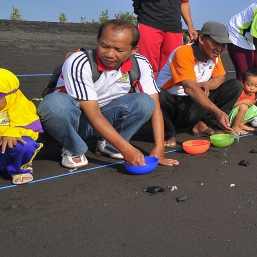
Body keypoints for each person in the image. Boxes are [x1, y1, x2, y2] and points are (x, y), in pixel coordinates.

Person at [39, 20, 178, 168]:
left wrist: (159, 148)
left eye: (119, 50)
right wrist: (127, 149)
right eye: (104, 46)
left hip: (104, 117)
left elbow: (155, 106)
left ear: (134, 50)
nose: (110, 54)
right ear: (97, 39)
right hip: (74, 121)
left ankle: (110, 145)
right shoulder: (80, 62)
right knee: (54, 104)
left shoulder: (140, 64)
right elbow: (92, 113)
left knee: (145, 102)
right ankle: (73, 147)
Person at [157, 21, 241, 144]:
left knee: (235, 86)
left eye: (223, 45)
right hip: (174, 104)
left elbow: (220, 78)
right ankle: (168, 133)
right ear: (201, 39)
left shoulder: (214, 56)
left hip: (194, 102)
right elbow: (190, 88)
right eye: (216, 43)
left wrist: (207, 85)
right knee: (158, 96)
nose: (220, 49)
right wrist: (217, 112)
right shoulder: (184, 52)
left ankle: (203, 124)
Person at [0, 69, 42, 185]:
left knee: (26, 144)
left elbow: (33, 131)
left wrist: (14, 132)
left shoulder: (22, 105)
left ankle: (19, 169)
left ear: (10, 95)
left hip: (6, 152)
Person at [229, 68, 257, 135]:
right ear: (242, 83)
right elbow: (231, 105)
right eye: (249, 85)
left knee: (254, 108)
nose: (252, 88)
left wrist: (251, 103)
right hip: (229, 116)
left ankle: (241, 124)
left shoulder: (252, 94)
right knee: (244, 107)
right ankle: (235, 126)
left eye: (256, 86)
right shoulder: (239, 92)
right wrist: (243, 101)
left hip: (239, 114)